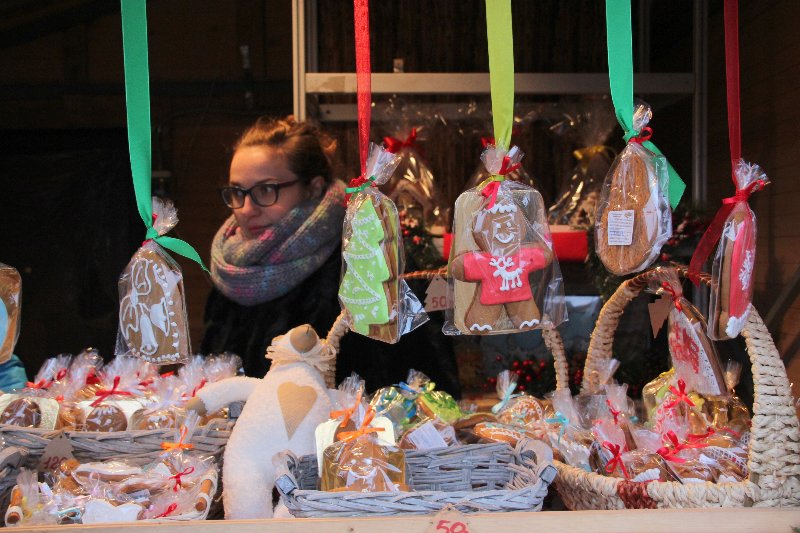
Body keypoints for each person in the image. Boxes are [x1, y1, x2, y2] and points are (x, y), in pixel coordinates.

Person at [201, 116, 460, 395]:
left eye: (266, 190)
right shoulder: (232, 271)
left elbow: (424, 377)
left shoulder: (363, 259)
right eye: (237, 192)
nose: (246, 209)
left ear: (312, 187)